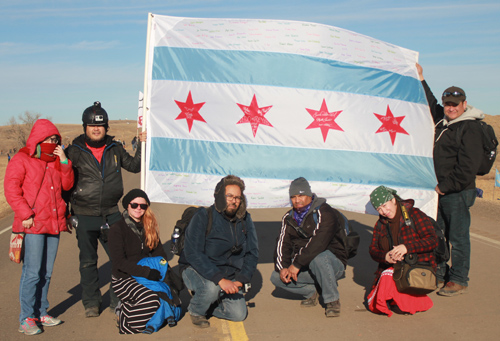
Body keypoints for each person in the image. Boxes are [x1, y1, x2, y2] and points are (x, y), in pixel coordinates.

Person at [65, 101, 145, 317]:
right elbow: (64, 182)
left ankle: (116, 299)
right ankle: (91, 303)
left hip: (111, 213)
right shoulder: (74, 151)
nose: (96, 128)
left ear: (106, 127)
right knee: (88, 262)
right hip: (84, 214)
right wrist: (66, 213)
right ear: (85, 127)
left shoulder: (115, 148)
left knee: (122, 260)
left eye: (100, 125)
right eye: (92, 125)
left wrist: (142, 145)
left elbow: (134, 166)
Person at [417, 64, 484, 296]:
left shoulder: (470, 128)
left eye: (455, 105)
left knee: (458, 237)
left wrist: (444, 187)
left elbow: (468, 168)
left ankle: (458, 278)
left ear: (464, 105)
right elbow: (430, 103)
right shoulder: (443, 121)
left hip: (456, 192)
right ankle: (440, 273)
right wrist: (421, 78)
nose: (451, 108)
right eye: (448, 104)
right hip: (441, 191)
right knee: (438, 234)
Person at [4, 119, 74, 335]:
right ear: (38, 138)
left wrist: (64, 163)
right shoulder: (22, 158)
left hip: (53, 222)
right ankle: (26, 317)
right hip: (32, 223)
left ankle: (41, 311)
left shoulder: (55, 160)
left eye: (56, 139)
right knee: (32, 272)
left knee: (47, 272)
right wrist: (25, 213)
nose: (53, 143)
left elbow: (66, 186)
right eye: (50, 139)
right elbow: (11, 189)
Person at [179, 175, 259, 328]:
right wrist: (219, 279)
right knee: (211, 287)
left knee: (238, 314)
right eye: (229, 196)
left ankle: (208, 300)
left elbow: (252, 253)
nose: (233, 201)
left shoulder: (245, 219)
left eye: (237, 197)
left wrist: (241, 279)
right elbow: (193, 254)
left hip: (228, 275)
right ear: (219, 195)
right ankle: (196, 310)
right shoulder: (203, 216)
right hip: (196, 269)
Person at [270, 177, 348, 317]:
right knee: (276, 277)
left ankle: (332, 300)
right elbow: (282, 244)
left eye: (301, 195)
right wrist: (283, 267)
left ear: (309, 195)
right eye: (293, 197)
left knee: (318, 257)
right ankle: (312, 291)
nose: (297, 200)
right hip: (306, 265)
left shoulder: (325, 212)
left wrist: (297, 264)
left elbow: (319, 243)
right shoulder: (288, 218)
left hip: (332, 263)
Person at [108, 189, 180, 334]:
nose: (138, 209)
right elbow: (119, 263)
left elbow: (160, 254)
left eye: (143, 206)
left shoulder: (149, 226)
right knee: (153, 301)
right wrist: (146, 272)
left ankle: (140, 307)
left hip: (146, 275)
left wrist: (162, 269)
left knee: (171, 299)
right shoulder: (117, 229)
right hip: (125, 278)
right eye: (134, 205)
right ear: (127, 206)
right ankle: (122, 312)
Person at [367, 186, 438, 316]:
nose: (383, 211)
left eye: (384, 205)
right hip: (395, 266)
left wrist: (407, 247)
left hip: (418, 266)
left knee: (387, 277)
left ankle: (409, 301)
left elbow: (433, 240)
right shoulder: (380, 224)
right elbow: (372, 250)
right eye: (379, 209)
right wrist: (385, 257)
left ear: (393, 200)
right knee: (374, 301)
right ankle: (396, 299)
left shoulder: (414, 214)